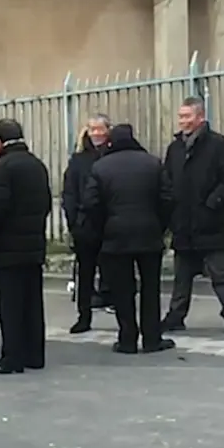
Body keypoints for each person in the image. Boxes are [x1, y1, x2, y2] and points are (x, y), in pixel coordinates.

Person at [81, 124, 175, 354]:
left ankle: (127, 338)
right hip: (149, 232)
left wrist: (103, 227)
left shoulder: (101, 167)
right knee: (150, 288)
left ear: (111, 141)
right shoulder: (152, 163)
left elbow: (91, 204)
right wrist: (159, 224)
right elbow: (168, 198)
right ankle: (152, 338)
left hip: (115, 235)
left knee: (122, 290)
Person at [161, 97, 224, 334]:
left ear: (200, 117)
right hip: (183, 222)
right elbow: (167, 179)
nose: (183, 121)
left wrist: (213, 203)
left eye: (187, 116)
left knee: (221, 274)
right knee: (181, 277)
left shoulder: (218, 144)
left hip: (209, 221)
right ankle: (176, 316)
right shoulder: (175, 148)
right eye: (181, 116)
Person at [0, 119, 51, 375]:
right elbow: (46, 203)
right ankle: (34, 354)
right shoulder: (36, 165)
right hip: (33, 244)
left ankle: (12, 358)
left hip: (8, 247)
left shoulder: (3, 167)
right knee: (32, 302)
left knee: (10, 305)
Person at [60, 114, 110, 334]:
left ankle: (116, 308)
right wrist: (74, 221)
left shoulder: (113, 155)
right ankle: (84, 314)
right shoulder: (79, 160)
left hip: (111, 222)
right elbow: (69, 192)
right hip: (86, 224)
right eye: (92, 129)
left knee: (115, 270)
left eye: (100, 129)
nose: (96, 134)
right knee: (85, 273)